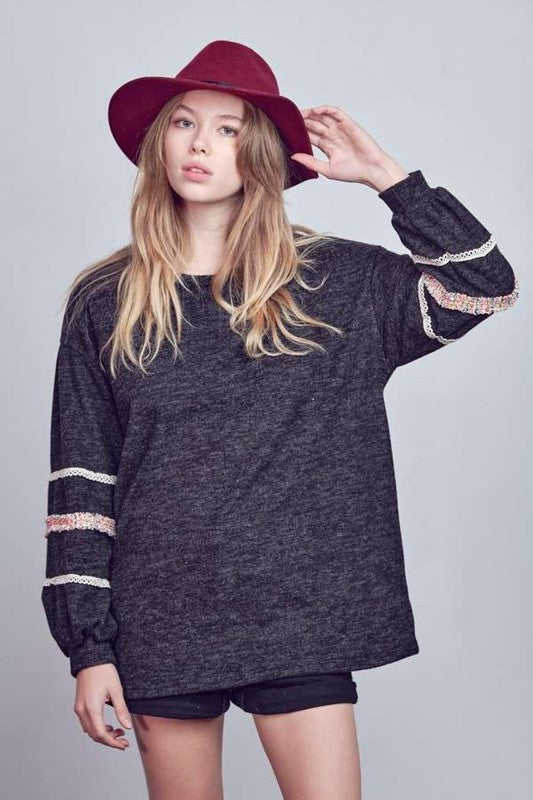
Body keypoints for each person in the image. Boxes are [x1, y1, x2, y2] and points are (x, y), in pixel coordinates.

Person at [40, 39, 519, 800]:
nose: (200, 144)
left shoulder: (337, 284)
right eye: (183, 122)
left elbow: (483, 286)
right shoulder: (107, 299)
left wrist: (390, 180)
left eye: (228, 128)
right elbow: (81, 484)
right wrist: (88, 646)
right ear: (158, 140)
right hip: (162, 612)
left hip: (302, 612)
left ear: (260, 152)